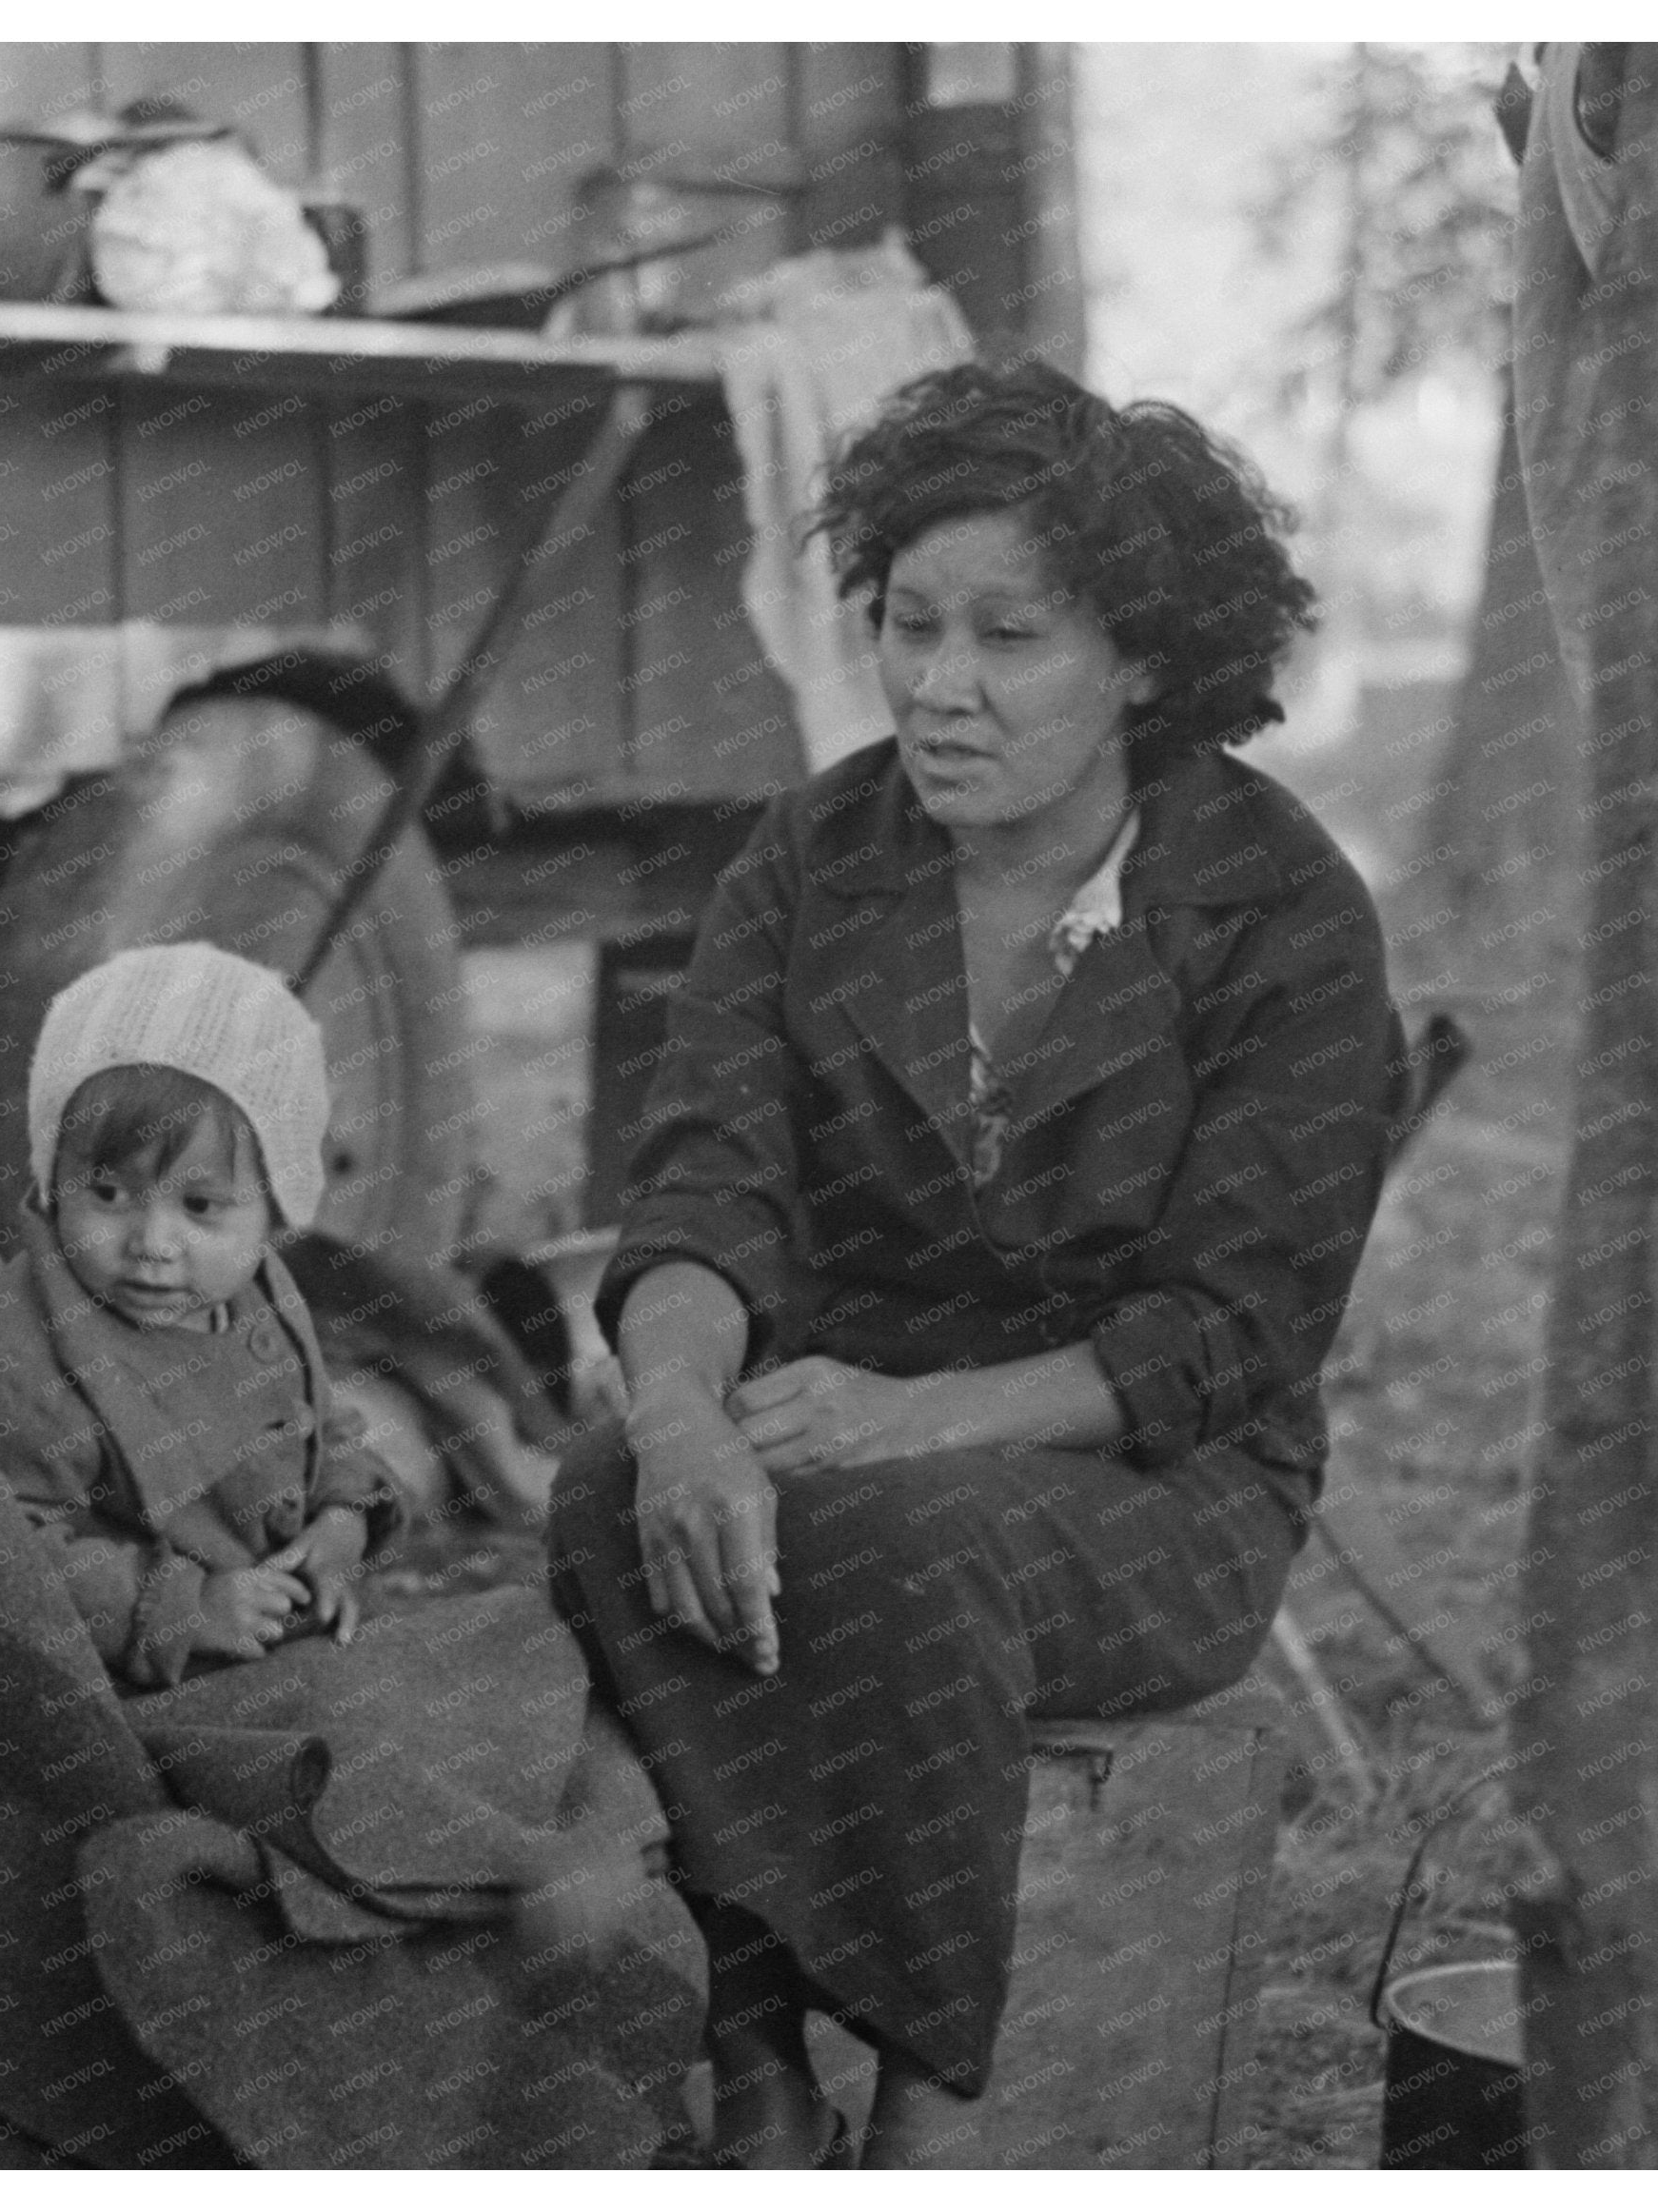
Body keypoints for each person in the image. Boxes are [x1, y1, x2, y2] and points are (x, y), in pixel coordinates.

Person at [547, 359, 1405, 2167]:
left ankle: (927, 2112)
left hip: (1160, 1474)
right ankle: (758, 2070)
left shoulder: (1280, 911)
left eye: (1009, 637)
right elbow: (707, 1180)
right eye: (908, 622)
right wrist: (685, 1412)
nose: (940, 684)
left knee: (914, 1543)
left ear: (1145, 659)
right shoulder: (815, 854)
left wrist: (913, 1418)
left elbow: (1229, 1330)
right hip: (841, 1418)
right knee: (618, 1488)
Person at [0, 943, 404, 1688]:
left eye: (201, 1206)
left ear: (275, 1208)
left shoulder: (257, 1292)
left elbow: (322, 1429)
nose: (152, 1245)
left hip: (275, 1638)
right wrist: (182, 1611)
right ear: (54, 1176)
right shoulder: (22, 1364)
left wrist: (342, 1521)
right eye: (108, 1195)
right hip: (127, 1681)